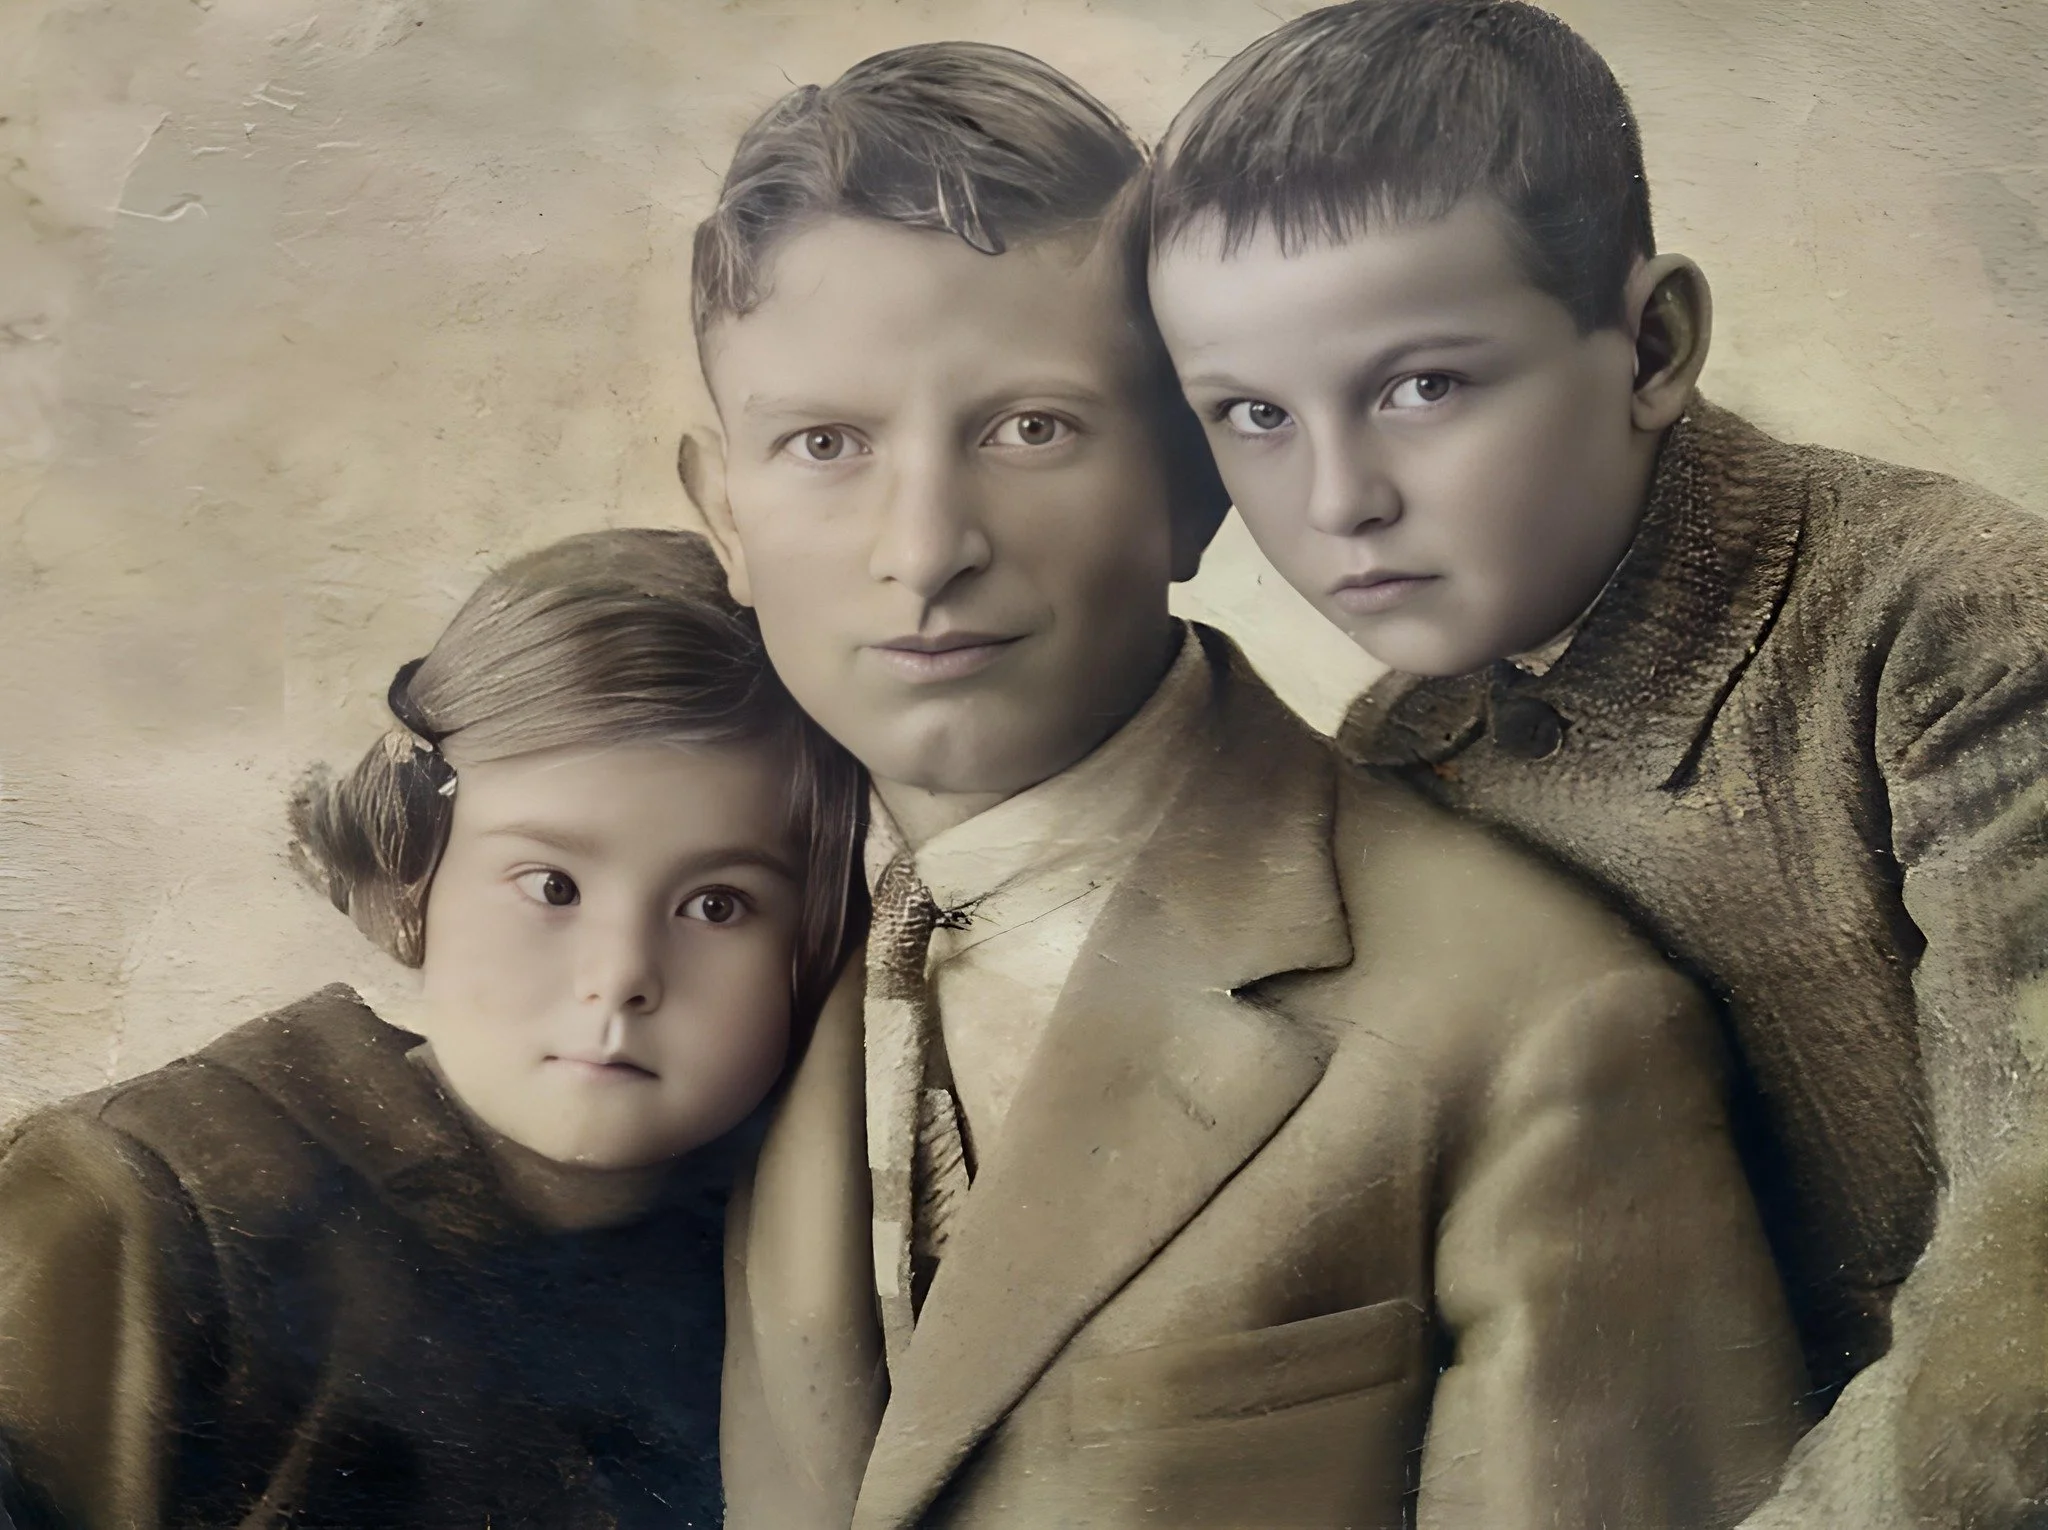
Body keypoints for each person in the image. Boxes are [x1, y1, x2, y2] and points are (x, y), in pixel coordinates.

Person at [690, 41, 1808, 1529]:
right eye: (822, 442)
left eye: (1032, 428)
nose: (924, 546)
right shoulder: (719, 950)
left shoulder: (1529, 1018)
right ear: (725, 511)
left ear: (1196, 480)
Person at [1141, 3, 2048, 1525]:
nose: (1340, 497)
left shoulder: (1953, 627)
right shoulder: (1404, 749)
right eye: (1252, 415)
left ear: (1652, 343)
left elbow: (2025, 1294)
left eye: (1422, 384)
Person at [0, 528, 862, 1528]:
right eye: (551, 886)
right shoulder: (152, 1195)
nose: (621, 976)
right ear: (418, 875)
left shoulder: (804, 1246)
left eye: (717, 905)